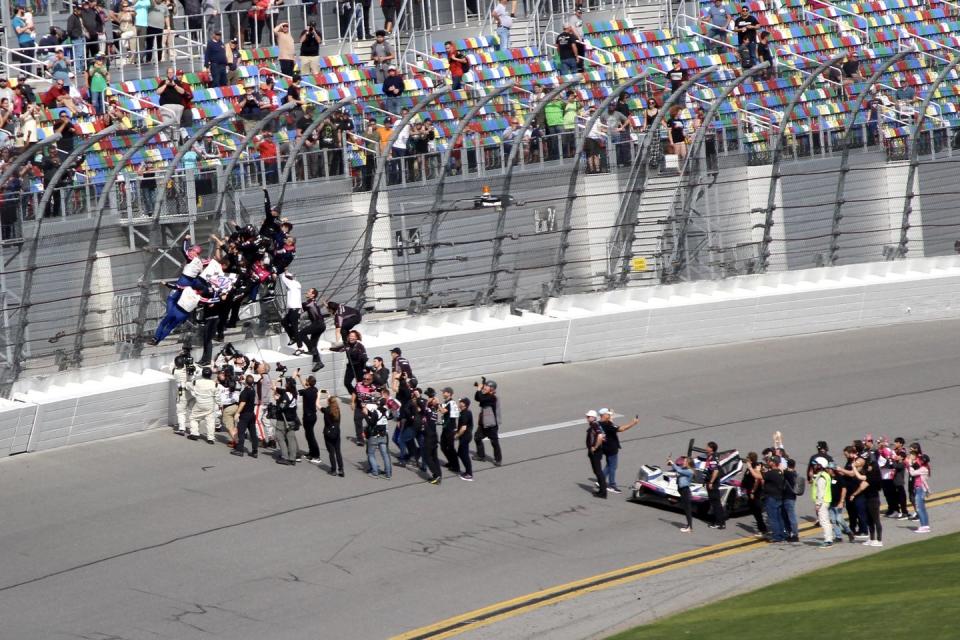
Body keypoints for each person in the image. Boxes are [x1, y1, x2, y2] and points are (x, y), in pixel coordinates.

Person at [597, 409, 638, 494]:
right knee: (613, 467)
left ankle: (601, 480)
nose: (609, 416)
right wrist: (633, 423)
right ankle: (612, 485)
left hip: (605, 447)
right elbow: (621, 429)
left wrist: (610, 414)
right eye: (607, 414)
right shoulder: (608, 425)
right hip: (612, 448)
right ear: (604, 415)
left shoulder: (599, 423)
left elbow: (610, 421)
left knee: (609, 464)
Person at [473, 377, 502, 466]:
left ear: (492, 389)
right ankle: (481, 456)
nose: (484, 388)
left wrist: (479, 389)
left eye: (486, 387)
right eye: (484, 386)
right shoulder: (486, 396)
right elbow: (477, 398)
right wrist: (479, 390)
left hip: (491, 424)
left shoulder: (492, 398)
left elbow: (482, 399)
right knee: (477, 438)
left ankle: (498, 459)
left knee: (494, 442)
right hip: (483, 423)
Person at [186, 366, 218, 443]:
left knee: (194, 418)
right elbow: (217, 396)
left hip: (199, 403)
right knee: (210, 421)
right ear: (210, 375)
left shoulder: (196, 382)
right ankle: (210, 438)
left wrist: (188, 380)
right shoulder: (214, 384)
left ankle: (194, 433)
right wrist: (219, 404)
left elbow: (188, 386)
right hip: (210, 404)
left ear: (202, 374)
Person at [273, 377, 300, 465]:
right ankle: (293, 458)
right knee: (291, 439)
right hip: (292, 419)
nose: (285, 384)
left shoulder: (286, 395)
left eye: (286, 383)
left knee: (279, 436)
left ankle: (285, 457)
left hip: (283, 420)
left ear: (288, 385)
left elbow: (282, 407)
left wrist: (277, 400)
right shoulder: (295, 394)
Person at [295, 371, 321, 463]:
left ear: (308, 382)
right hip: (313, 416)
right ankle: (311, 453)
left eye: (306, 380)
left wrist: (295, 378)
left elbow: (295, 391)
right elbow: (305, 386)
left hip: (308, 417)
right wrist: (300, 377)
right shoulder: (315, 389)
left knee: (311, 436)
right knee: (308, 435)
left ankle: (316, 456)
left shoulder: (306, 392)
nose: (305, 381)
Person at [231, 375, 259, 457]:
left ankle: (240, 450)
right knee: (253, 433)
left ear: (246, 382)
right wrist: (244, 381)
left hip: (245, 415)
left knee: (241, 432)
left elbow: (242, 403)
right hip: (251, 414)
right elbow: (249, 383)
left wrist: (237, 413)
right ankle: (255, 451)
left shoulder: (244, 392)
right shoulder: (252, 390)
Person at [741, 451, 768, 536]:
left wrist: (753, 491)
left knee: (757, 511)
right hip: (749, 491)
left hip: (754, 492)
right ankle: (762, 528)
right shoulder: (751, 467)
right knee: (754, 510)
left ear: (751, 459)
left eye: (748, 458)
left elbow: (757, 479)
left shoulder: (755, 466)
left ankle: (763, 530)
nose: (746, 459)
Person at [352, 368, 379, 446]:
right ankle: (360, 440)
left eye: (367, 379)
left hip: (369, 409)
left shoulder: (374, 388)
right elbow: (354, 393)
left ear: (371, 380)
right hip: (359, 408)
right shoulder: (358, 384)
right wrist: (352, 402)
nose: (365, 380)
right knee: (357, 423)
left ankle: (374, 439)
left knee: (372, 424)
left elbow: (377, 399)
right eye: (364, 379)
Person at [363, 402, 392, 478]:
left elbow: (371, 423)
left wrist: (365, 414)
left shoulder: (376, 412)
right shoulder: (386, 412)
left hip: (374, 436)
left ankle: (375, 472)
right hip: (383, 435)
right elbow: (390, 417)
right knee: (385, 455)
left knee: (371, 454)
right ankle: (388, 474)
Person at [667, 455, 695, 532]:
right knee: (686, 509)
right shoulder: (684, 469)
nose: (683, 462)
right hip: (682, 491)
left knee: (688, 510)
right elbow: (678, 470)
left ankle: (690, 528)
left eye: (685, 461)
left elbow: (679, 471)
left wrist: (672, 463)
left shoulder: (689, 471)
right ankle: (689, 525)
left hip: (685, 491)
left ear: (689, 463)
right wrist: (671, 464)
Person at [810, 456, 834, 547]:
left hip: (822, 501)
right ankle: (829, 538)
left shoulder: (821, 477)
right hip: (826, 501)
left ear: (820, 465)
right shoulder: (824, 475)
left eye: (816, 465)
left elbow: (820, 491)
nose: (814, 466)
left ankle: (828, 540)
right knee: (826, 520)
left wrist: (818, 504)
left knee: (824, 521)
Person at [762, 455, 786, 542]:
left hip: (772, 498)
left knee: (773, 518)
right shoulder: (780, 472)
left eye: (770, 461)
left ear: (774, 463)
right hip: (779, 497)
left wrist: (751, 468)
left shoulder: (771, 473)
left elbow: (760, 477)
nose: (769, 462)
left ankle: (776, 536)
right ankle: (782, 535)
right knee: (780, 518)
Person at [171, 349, 195, 435]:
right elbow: (193, 372)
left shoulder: (175, 371)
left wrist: (179, 355)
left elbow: (173, 365)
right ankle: (194, 430)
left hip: (181, 392)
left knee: (181, 412)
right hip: (190, 392)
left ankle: (182, 429)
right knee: (192, 412)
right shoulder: (189, 369)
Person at [907, 447, 930, 533]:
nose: (918, 460)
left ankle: (924, 526)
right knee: (922, 508)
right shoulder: (923, 468)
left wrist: (910, 464)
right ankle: (925, 525)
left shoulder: (923, 469)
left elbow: (912, 473)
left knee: (919, 508)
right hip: (919, 489)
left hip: (920, 489)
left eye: (920, 460)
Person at [704, 441, 726, 530]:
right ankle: (720, 522)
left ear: (711, 448)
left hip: (713, 484)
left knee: (716, 504)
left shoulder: (712, 458)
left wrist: (711, 482)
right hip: (712, 483)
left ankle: (719, 523)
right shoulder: (713, 456)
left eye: (707, 447)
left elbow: (716, 471)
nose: (706, 448)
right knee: (716, 503)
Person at [585, 410, 606, 499]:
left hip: (595, 452)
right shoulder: (595, 424)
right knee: (597, 471)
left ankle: (603, 493)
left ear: (593, 417)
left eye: (588, 417)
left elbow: (600, 436)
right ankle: (602, 490)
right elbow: (603, 435)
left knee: (598, 472)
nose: (587, 418)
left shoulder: (594, 425)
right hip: (595, 452)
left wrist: (595, 447)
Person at [439, 386, 460, 472]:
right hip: (445, 428)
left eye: (444, 392)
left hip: (450, 429)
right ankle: (451, 462)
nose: (443, 393)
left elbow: (443, 411)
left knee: (451, 448)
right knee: (443, 447)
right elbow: (442, 410)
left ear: (449, 394)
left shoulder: (451, 403)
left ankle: (456, 466)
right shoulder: (447, 402)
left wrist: (437, 405)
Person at [216, 369, 240, 446]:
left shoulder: (218, 386)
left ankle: (237, 442)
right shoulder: (233, 383)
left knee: (229, 427)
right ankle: (234, 440)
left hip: (227, 408)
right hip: (236, 405)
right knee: (234, 425)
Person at [321, 394, 344, 475]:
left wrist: (318, 395)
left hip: (328, 433)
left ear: (328, 402)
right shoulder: (337, 409)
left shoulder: (327, 410)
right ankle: (341, 469)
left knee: (331, 452)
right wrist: (329, 397)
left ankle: (333, 470)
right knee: (338, 452)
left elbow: (317, 405)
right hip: (337, 432)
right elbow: (332, 402)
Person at [341, 329, 367, 396]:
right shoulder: (347, 345)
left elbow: (364, 357)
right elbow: (339, 348)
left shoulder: (360, 346)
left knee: (360, 384)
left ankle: (362, 397)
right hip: (350, 366)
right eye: (350, 336)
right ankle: (354, 395)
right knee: (346, 383)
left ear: (356, 338)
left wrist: (364, 367)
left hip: (359, 367)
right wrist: (329, 348)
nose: (351, 337)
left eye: (352, 336)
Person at [455, 397, 474, 481]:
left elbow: (463, 428)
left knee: (464, 455)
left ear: (464, 405)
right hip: (465, 436)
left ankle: (469, 473)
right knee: (460, 453)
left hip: (465, 437)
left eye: (461, 402)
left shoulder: (465, 414)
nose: (459, 403)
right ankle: (467, 471)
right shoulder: (464, 412)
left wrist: (457, 435)